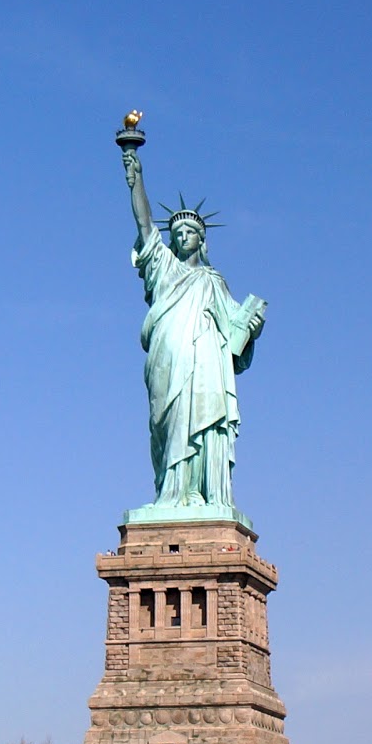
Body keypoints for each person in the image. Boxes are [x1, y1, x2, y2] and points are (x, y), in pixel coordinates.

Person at [121, 143, 265, 510]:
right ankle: (171, 493)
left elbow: (236, 331)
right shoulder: (164, 268)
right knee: (166, 424)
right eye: (177, 232)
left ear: (203, 239)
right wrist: (135, 178)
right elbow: (143, 221)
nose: (182, 236)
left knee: (204, 423)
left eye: (190, 232)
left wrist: (252, 326)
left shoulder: (213, 282)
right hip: (168, 359)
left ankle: (199, 492)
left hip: (205, 366)